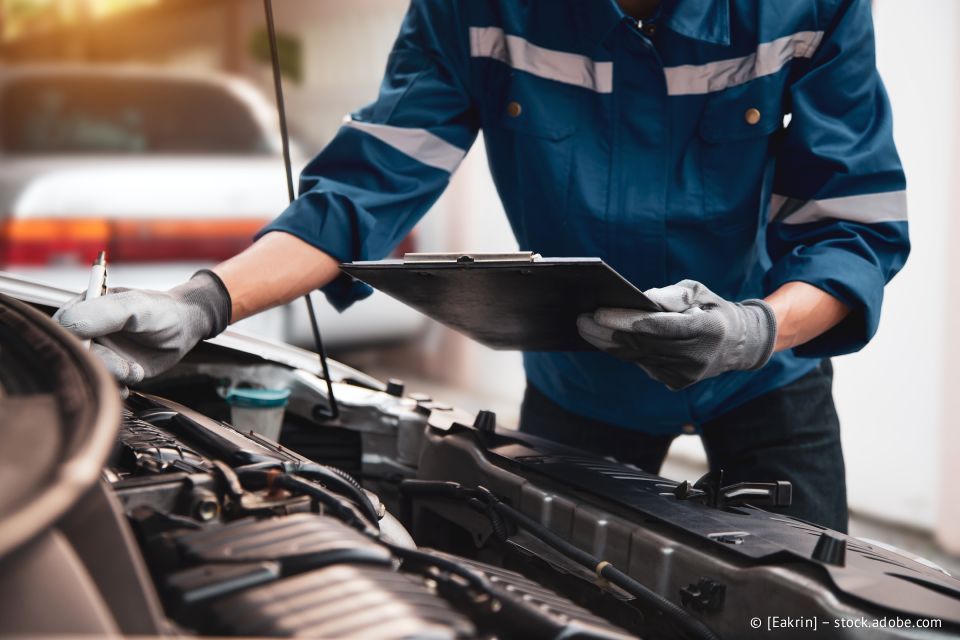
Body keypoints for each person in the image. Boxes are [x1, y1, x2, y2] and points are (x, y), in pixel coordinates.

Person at [55, 0, 908, 532]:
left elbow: (853, 224)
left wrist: (756, 329)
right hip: (581, 387)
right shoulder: (474, 7)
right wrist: (203, 303)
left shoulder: (810, 4)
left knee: (801, 609)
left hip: (765, 378)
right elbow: (363, 190)